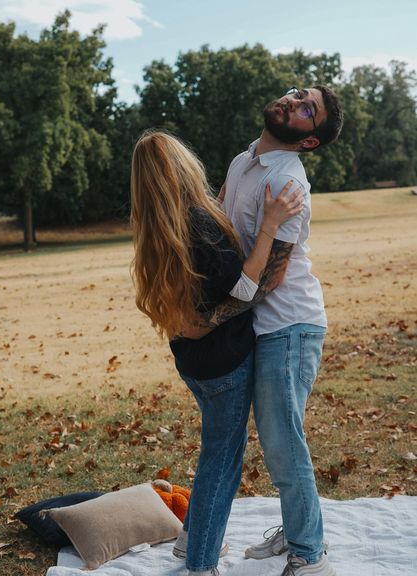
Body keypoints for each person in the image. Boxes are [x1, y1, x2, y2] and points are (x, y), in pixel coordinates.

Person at [184, 86, 344, 576]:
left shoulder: (289, 182)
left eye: (306, 108)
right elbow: (218, 228)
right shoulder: (243, 161)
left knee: (281, 440)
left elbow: (270, 278)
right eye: (298, 94)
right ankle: (294, 531)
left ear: (309, 140)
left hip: (289, 324)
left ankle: (309, 555)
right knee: (268, 438)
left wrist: (206, 322)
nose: (293, 101)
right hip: (257, 325)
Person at [130, 130, 303, 576]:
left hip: (194, 361)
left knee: (215, 453)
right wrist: (268, 225)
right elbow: (244, 289)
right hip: (223, 360)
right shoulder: (199, 225)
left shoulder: (157, 227)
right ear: (184, 167)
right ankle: (201, 564)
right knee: (222, 463)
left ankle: (190, 542)